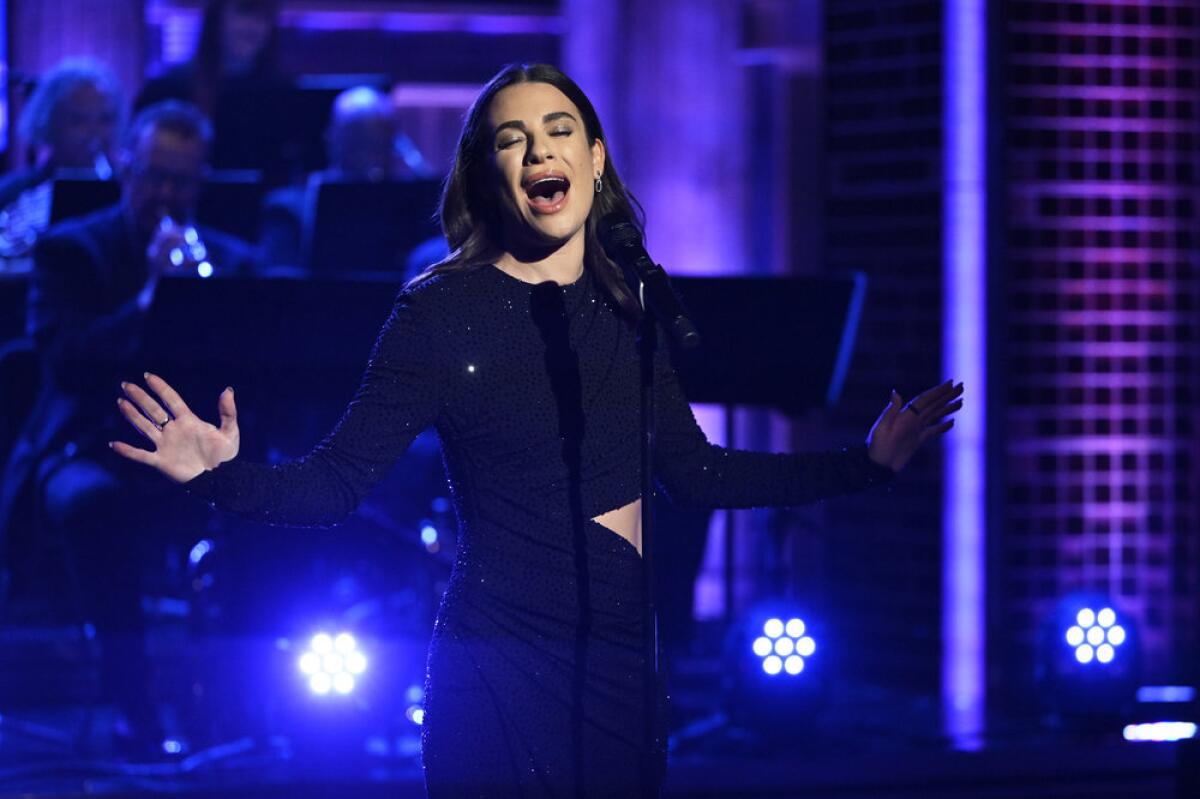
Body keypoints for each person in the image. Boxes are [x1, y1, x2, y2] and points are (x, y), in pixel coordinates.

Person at [110, 64, 964, 795]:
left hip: (623, 657)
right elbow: (336, 483)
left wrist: (865, 464)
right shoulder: (438, 312)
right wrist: (217, 473)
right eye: (513, 138)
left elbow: (695, 474)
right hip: (498, 653)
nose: (540, 149)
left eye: (560, 129)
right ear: (488, 173)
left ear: (594, 160)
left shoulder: (629, 306)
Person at [0, 100, 256, 754]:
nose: (166, 195)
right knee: (93, 505)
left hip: (193, 449)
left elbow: (258, 370)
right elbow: (69, 362)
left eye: (182, 181)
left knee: (275, 493)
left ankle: (239, 704)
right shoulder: (69, 250)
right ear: (127, 170)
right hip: (89, 444)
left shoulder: (232, 263)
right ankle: (134, 707)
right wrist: (151, 297)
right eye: (154, 176)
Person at [0, 58, 122, 258]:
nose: (95, 133)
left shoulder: (127, 194)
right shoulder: (10, 193)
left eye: (105, 119)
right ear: (48, 122)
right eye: (79, 120)